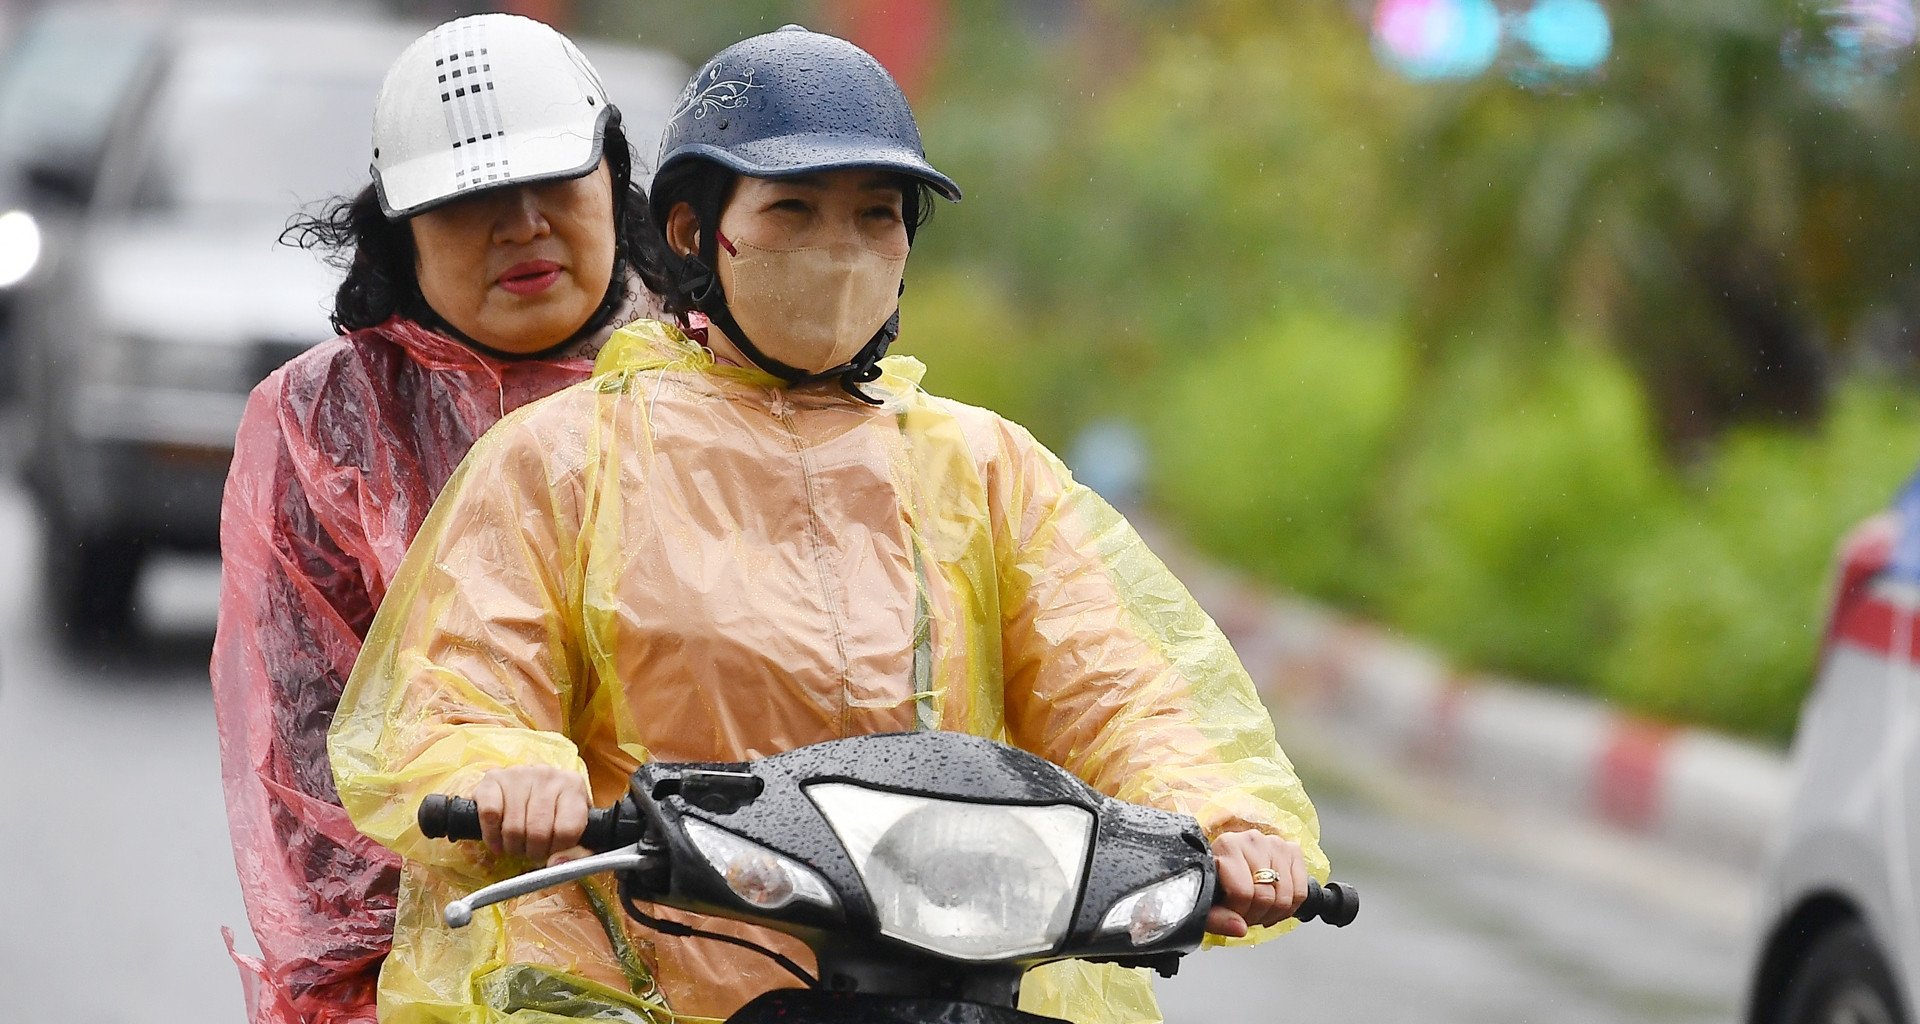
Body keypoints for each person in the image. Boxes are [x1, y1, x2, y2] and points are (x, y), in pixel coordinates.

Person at [330, 25, 1325, 1024]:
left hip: (951, 978)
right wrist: (506, 771)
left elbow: (1117, 686)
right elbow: (459, 684)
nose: (838, 252)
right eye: (794, 210)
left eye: (875, 217)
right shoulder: (561, 457)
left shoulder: (984, 469)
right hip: (628, 986)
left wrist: (1228, 821)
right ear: (690, 231)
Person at [210, 14, 661, 1024]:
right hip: (438, 963)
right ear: (400, 229)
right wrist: (374, 985)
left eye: (553, 180)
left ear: (612, 175)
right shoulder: (325, 426)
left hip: (707, 933)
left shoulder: (718, 380)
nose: (523, 224)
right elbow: (311, 753)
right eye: (471, 200)